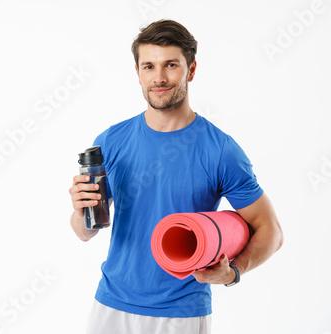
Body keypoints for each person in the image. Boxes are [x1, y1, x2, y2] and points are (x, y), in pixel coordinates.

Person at [69, 19, 283, 334]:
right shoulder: (111, 142)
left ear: (191, 70)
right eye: (148, 66)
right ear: (138, 73)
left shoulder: (220, 150)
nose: (159, 78)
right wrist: (80, 213)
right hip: (111, 305)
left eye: (171, 65)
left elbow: (271, 231)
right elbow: (83, 232)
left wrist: (232, 272)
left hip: (181, 313)